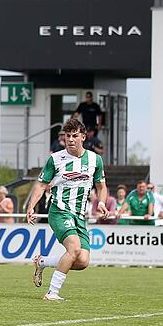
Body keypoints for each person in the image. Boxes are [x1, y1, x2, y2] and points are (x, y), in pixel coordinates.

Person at [27, 117, 108, 301]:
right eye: (67, 136)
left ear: (83, 137)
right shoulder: (55, 159)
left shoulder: (95, 160)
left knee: (82, 261)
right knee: (74, 249)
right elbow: (40, 185)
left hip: (79, 215)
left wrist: (101, 203)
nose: (70, 139)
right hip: (59, 211)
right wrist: (31, 207)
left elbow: (101, 187)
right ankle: (52, 293)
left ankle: (42, 262)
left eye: (74, 136)